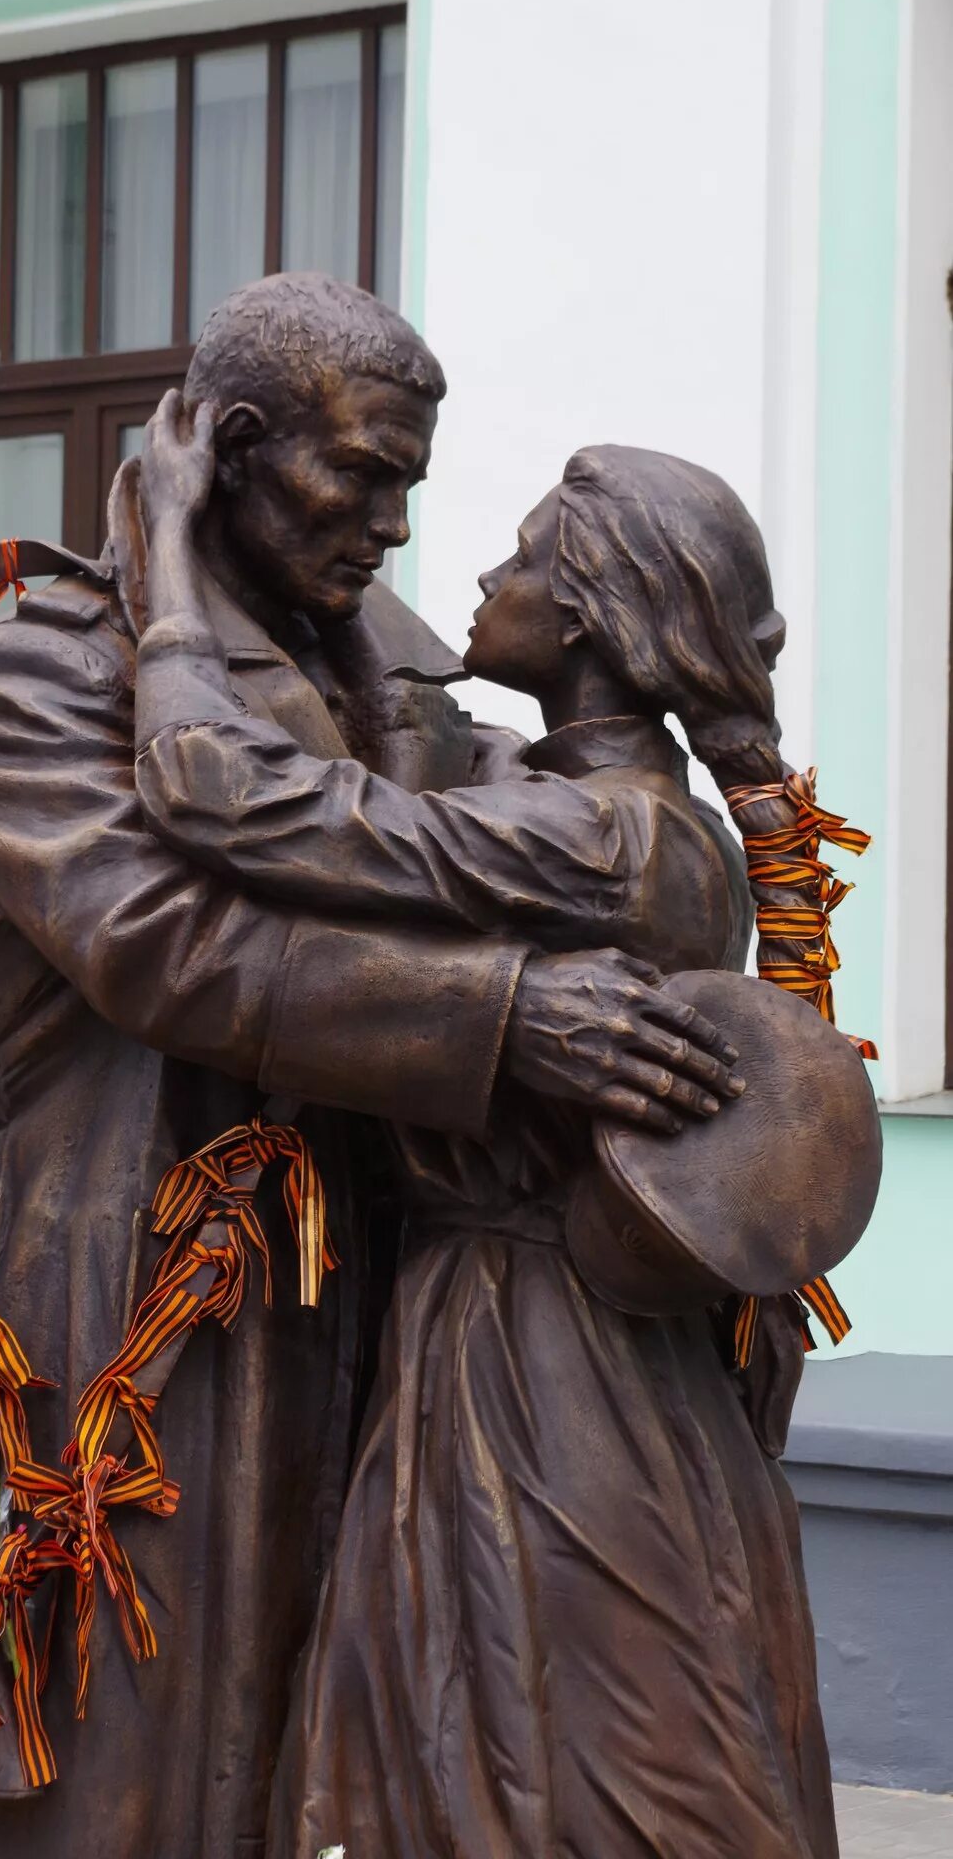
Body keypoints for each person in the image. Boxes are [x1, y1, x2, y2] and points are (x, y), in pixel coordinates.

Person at [0, 275, 741, 1859]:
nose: (395, 525)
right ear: (233, 450)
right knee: (111, 1776)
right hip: (126, 1302)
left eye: (412, 481)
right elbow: (169, 944)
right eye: (364, 477)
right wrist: (507, 1019)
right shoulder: (41, 671)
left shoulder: (396, 695)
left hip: (375, 1304)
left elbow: (526, 855)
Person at [131, 403, 837, 1859]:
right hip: (548, 1349)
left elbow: (217, 791)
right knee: (477, 1743)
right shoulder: (598, 813)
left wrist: (166, 573)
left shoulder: (602, 841)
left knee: (557, 1751)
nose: (477, 584)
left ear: (584, 614)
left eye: (515, 563)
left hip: (540, 1368)